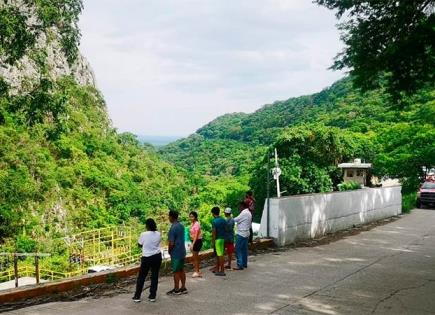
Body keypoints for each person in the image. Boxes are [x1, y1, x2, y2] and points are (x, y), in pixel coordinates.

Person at [133, 218, 162, 303]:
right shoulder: (158, 234)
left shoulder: (143, 234)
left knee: (141, 277)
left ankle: (137, 296)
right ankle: (152, 296)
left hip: (147, 257)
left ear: (147, 226)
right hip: (157, 256)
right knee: (154, 276)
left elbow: (139, 244)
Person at [167, 210, 188, 295]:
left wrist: (169, 250)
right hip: (182, 251)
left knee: (176, 271)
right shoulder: (181, 226)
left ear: (171, 217)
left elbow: (171, 243)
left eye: (169, 216)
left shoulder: (173, 228)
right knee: (181, 269)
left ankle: (176, 289)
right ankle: (183, 287)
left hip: (175, 252)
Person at [233, 201, 252, 270]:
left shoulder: (244, 213)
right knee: (244, 249)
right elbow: (250, 225)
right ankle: (244, 263)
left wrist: (229, 219)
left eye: (239, 206)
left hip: (241, 233)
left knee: (238, 249)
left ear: (242, 206)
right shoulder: (249, 213)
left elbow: (236, 219)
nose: (238, 208)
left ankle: (240, 265)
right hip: (246, 233)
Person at [211, 206, 227, 276]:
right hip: (223, 238)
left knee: (220, 255)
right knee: (219, 255)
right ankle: (217, 269)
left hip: (218, 240)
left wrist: (213, 241)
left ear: (213, 213)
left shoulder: (214, 221)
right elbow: (226, 229)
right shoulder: (223, 220)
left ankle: (222, 271)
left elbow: (214, 232)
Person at [188, 211, 203, 278]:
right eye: (190, 216)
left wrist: (193, 244)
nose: (191, 218)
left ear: (195, 217)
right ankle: (197, 270)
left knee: (195, 257)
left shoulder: (197, 224)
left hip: (197, 241)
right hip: (194, 241)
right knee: (195, 257)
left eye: (192, 216)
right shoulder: (192, 224)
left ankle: (197, 272)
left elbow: (196, 235)